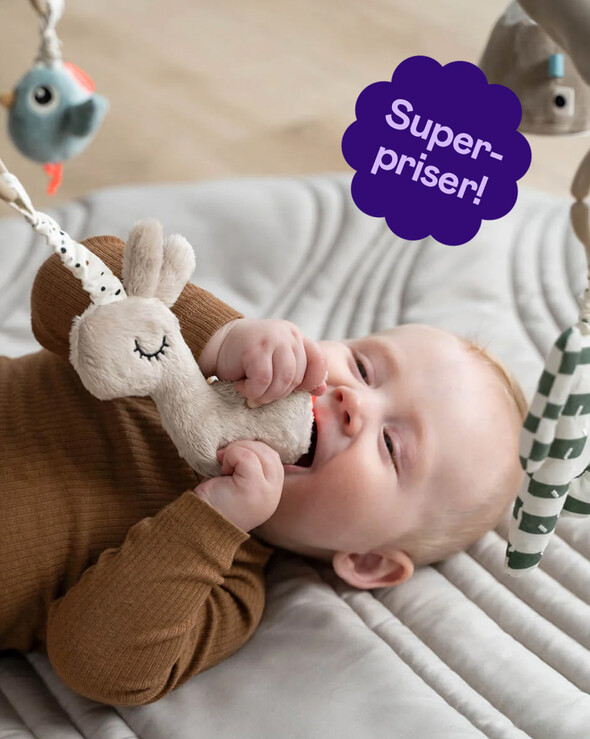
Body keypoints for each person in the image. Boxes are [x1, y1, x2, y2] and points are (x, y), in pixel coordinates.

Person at [0, 233, 527, 707]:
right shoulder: (182, 361)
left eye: (391, 445)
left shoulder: (225, 588)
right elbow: (62, 279)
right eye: (363, 367)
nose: (353, 399)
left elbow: (94, 664)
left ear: (367, 561)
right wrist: (219, 335)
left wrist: (209, 522)